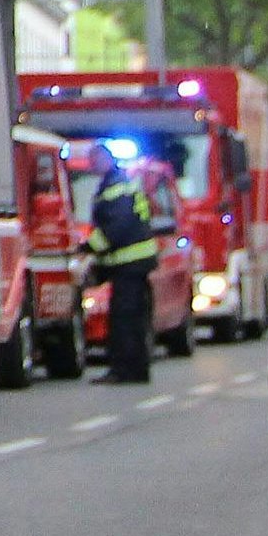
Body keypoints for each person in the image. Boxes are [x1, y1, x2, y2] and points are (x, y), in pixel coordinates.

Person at [90, 152, 171, 383]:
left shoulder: (115, 187)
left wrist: (88, 248)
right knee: (134, 320)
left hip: (129, 265)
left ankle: (124, 370)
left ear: (105, 160)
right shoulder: (121, 182)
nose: (91, 165)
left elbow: (116, 227)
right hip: (135, 265)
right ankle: (136, 369)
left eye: (94, 160)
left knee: (124, 320)